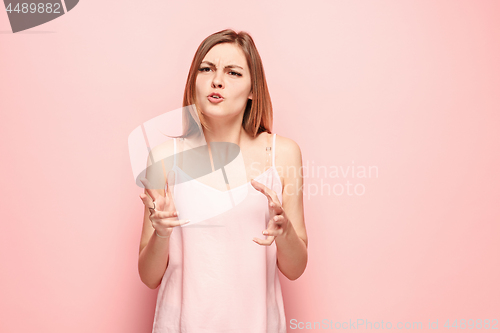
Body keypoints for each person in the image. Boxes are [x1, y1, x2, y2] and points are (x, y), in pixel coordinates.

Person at [137, 29, 308, 332]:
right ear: (194, 82)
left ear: (253, 89)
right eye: (207, 69)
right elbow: (149, 277)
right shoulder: (163, 158)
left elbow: (294, 269)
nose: (217, 81)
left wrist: (286, 232)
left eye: (234, 72)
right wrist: (161, 233)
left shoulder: (281, 154)